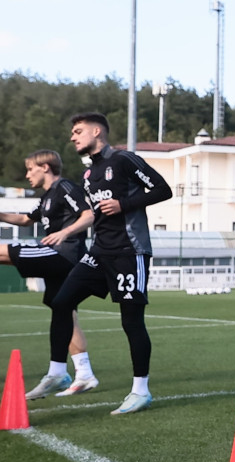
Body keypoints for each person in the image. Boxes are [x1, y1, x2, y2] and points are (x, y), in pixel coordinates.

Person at [52, 113, 173, 415]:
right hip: (99, 252)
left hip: (129, 252)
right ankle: (71, 372)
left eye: (78, 131)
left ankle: (140, 391)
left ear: (97, 131)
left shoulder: (123, 160)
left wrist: (124, 204)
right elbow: (94, 213)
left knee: (131, 321)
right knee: (62, 301)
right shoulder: (90, 174)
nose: (73, 137)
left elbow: (163, 189)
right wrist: (67, 231)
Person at [0, 149, 99, 397]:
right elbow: (24, 220)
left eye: (30, 169)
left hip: (64, 255)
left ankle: (60, 373)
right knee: (64, 311)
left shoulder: (65, 188)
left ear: (45, 167)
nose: (26, 174)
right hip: (59, 257)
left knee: (4, 252)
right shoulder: (47, 198)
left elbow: (89, 215)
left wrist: (65, 233)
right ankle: (81, 375)